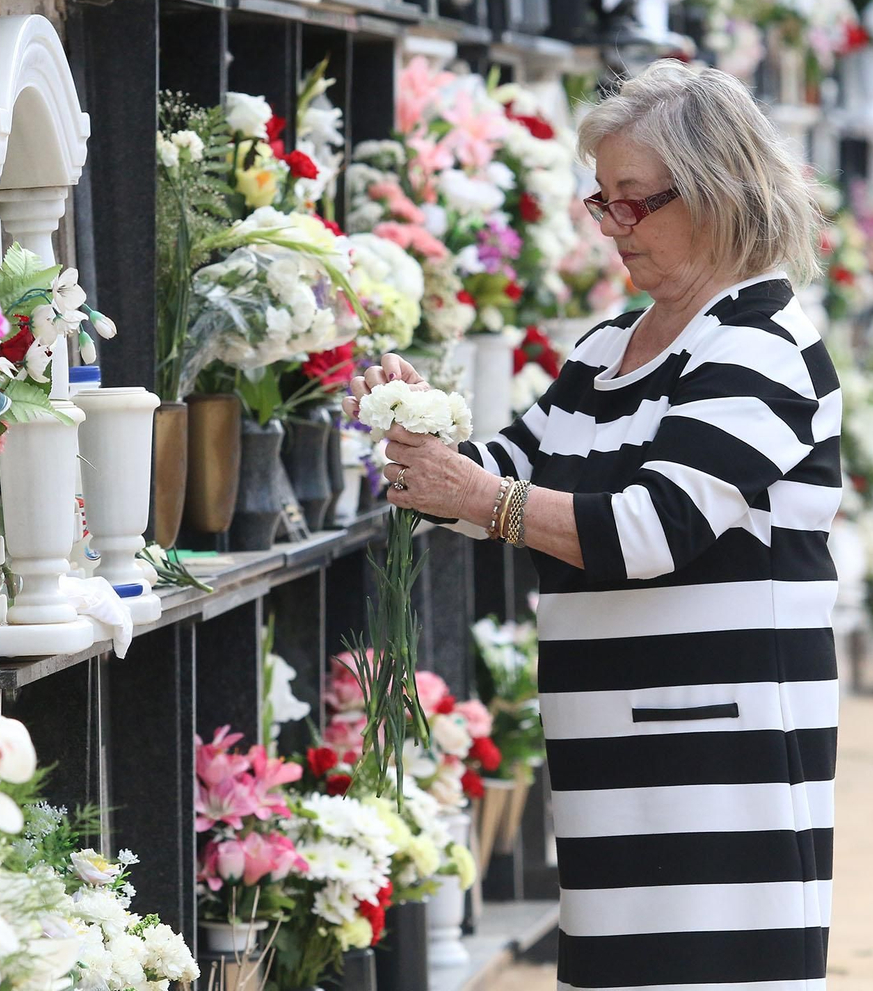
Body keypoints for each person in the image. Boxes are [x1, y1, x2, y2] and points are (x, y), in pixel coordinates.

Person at [344, 60, 840, 990]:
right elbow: (514, 465)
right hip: (611, 743)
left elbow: (653, 530)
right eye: (602, 200)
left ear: (718, 192)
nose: (612, 226)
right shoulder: (611, 346)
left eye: (633, 202)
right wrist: (420, 434)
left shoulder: (759, 345)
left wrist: (474, 496)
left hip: (717, 749)